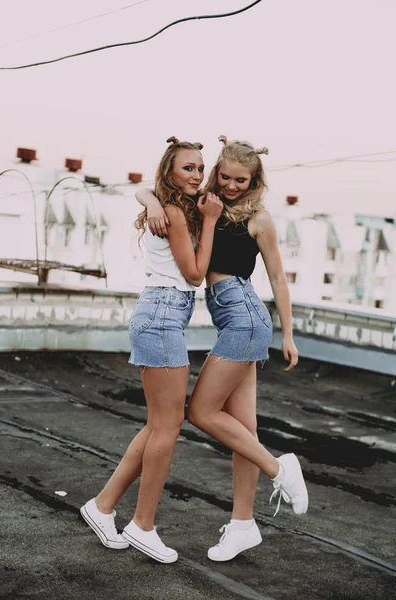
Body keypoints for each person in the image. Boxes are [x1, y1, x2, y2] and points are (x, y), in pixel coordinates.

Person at [138, 135, 308, 562]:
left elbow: (278, 279)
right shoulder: (205, 203)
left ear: (255, 180)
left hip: (246, 319)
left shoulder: (260, 218)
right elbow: (148, 188)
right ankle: (243, 525)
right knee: (242, 429)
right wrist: (153, 203)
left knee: (200, 412)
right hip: (232, 320)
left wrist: (288, 335)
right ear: (217, 172)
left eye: (242, 180)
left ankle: (279, 469)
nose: (233, 186)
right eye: (226, 177)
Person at [80, 137, 223, 564]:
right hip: (162, 315)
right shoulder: (178, 213)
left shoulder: (172, 206)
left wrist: (154, 199)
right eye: (188, 169)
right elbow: (196, 274)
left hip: (161, 315)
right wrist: (211, 221)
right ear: (171, 174)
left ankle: (103, 507)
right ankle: (143, 525)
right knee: (167, 427)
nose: (197, 174)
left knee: (159, 425)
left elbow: (145, 191)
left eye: (200, 167)